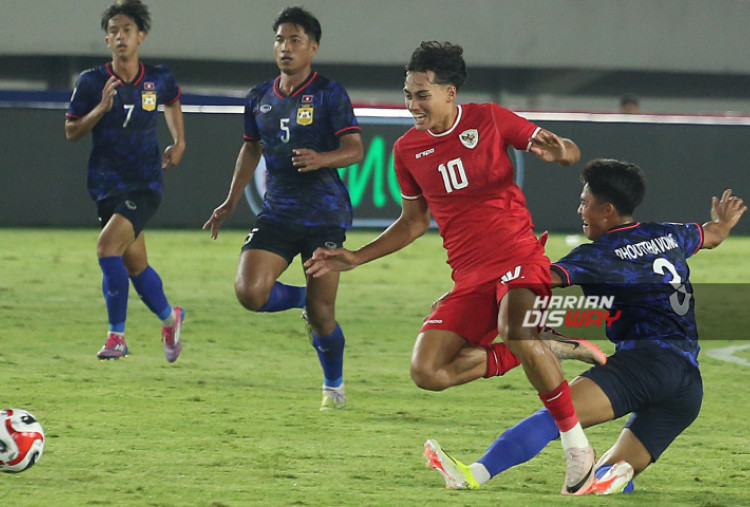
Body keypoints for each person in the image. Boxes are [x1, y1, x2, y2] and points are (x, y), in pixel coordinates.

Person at [305, 41, 597, 494]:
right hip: (471, 274)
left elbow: (567, 150)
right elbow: (413, 222)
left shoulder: (490, 119)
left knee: (516, 326)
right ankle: (543, 348)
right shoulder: (407, 150)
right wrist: (357, 257)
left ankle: (577, 448)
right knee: (428, 372)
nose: (412, 104)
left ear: (450, 93)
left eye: (422, 94)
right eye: (407, 94)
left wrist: (561, 153)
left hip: (519, 256)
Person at [422, 159, 746, 495]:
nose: (579, 210)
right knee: (599, 480)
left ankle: (472, 474)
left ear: (606, 211)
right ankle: (616, 478)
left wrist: (462, 295)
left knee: (554, 416)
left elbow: (532, 280)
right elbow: (714, 235)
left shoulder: (600, 255)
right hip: (688, 385)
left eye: (584, 203)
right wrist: (723, 221)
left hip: (644, 365)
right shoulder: (670, 233)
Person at [202, 6, 364, 411]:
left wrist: (322, 159)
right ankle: (300, 301)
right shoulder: (259, 97)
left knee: (324, 315)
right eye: (279, 40)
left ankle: (334, 386)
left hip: (323, 215)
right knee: (249, 293)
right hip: (277, 213)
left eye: (294, 40)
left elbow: (355, 150)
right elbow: (251, 147)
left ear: (313, 47)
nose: (285, 47)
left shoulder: (330, 93)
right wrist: (230, 201)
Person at [65, 0, 186, 362]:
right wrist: (99, 109)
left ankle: (116, 336)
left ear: (140, 36)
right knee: (135, 266)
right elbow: (71, 131)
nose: (120, 36)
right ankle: (170, 318)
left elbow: (173, 102)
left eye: (127, 30)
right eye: (114, 31)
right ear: (107, 41)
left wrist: (179, 141)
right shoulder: (91, 82)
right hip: (105, 185)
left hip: (145, 183)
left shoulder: (158, 77)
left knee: (106, 249)